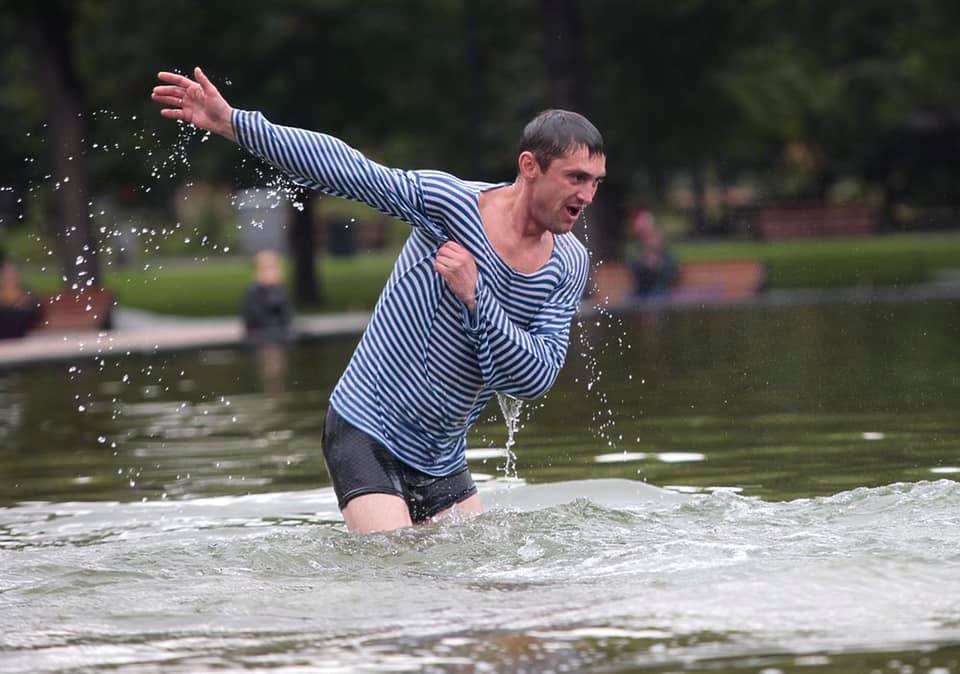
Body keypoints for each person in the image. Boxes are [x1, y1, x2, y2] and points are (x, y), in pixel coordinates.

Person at [152, 67, 605, 533]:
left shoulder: (568, 263)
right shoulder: (452, 205)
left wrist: (475, 296)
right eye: (576, 177)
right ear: (529, 166)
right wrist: (234, 123)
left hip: (441, 457)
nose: (587, 195)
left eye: (595, 182)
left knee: (483, 573)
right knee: (397, 563)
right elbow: (349, 170)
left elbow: (535, 378)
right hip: (367, 427)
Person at [242, 249, 293, 345]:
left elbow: (287, 315)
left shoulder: (280, 290)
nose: (273, 272)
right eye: (269, 269)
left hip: (279, 334)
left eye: (275, 268)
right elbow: (255, 318)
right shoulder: (254, 292)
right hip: (260, 335)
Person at [626, 206, 678, 297]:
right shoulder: (637, 251)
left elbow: (671, 272)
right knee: (629, 299)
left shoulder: (665, 252)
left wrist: (658, 265)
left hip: (660, 291)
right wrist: (645, 264)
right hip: (641, 291)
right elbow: (634, 270)